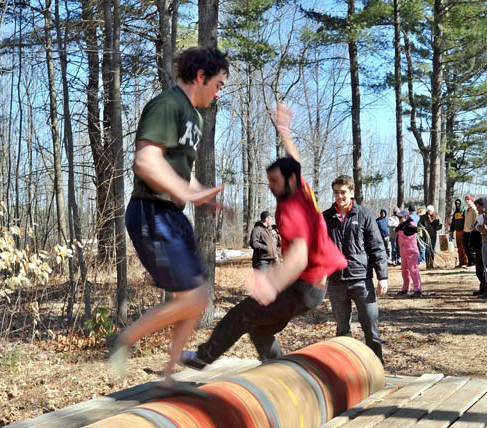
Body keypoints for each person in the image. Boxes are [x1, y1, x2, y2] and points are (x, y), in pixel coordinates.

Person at [180, 103, 347, 369]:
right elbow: (296, 161)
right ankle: (281, 371)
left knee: (243, 312)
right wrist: (283, 130)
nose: (270, 187)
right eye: (268, 181)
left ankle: (204, 356)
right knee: (259, 326)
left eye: (275, 182)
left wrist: (271, 284)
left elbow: (300, 255)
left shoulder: (292, 210)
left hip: (303, 287)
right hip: (313, 288)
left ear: (289, 181)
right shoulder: (301, 190)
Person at [110, 46, 228, 381]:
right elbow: (146, 161)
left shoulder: (195, 117)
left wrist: (201, 195)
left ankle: (167, 376)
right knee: (195, 298)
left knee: (195, 299)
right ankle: (123, 339)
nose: (218, 92)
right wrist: (182, 192)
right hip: (151, 211)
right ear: (201, 76)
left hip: (173, 215)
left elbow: (180, 169)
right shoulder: (167, 105)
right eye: (218, 84)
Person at [323, 176, 388, 362]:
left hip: (361, 280)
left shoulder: (364, 214)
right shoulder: (325, 218)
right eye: (336, 192)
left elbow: (376, 246)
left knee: (371, 329)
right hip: (336, 282)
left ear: (351, 192)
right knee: (342, 332)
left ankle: (377, 367)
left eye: (343, 192)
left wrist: (382, 277)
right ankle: (347, 369)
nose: (339, 196)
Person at [395, 210, 421, 296]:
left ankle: (418, 289)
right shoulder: (400, 226)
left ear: (406, 217)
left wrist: (417, 229)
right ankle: (405, 288)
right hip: (403, 252)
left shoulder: (410, 225)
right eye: (398, 217)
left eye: (401, 217)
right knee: (404, 271)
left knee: (413, 270)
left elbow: (414, 229)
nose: (399, 219)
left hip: (411, 251)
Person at [419, 205, 442, 269]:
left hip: (433, 235)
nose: (429, 212)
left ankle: (432, 263)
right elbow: (420, 224)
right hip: (426, 235)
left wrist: (436, 228)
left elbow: (440, 225)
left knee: (432, 250)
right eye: (428, 211)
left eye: (430, 211)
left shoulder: (436, 217)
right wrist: (423, 228)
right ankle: (427, 264)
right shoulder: (424, 217)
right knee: (427, 249)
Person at [451, 198, 468, 267]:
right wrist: (451, 230)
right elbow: (453, 222)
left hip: (464, 231)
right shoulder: (455, 213)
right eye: (456, 203)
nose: (458, 205)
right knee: (459, 247)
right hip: (457, 232)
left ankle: (466, 262)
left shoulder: (465, 211)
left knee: (464, 247)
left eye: (459, 203)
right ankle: (461, 262)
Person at [463, 195, 478, 266]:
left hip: (471, 231)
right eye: (466, 199)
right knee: (466, 247)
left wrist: (474, 226)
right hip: (465, 230)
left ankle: (473, 262)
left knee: (471, 247)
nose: (466, 201)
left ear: (471, 200)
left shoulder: (474, 209)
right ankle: (470, 261)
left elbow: (477, 218)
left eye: (468, 199)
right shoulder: (466, 210)